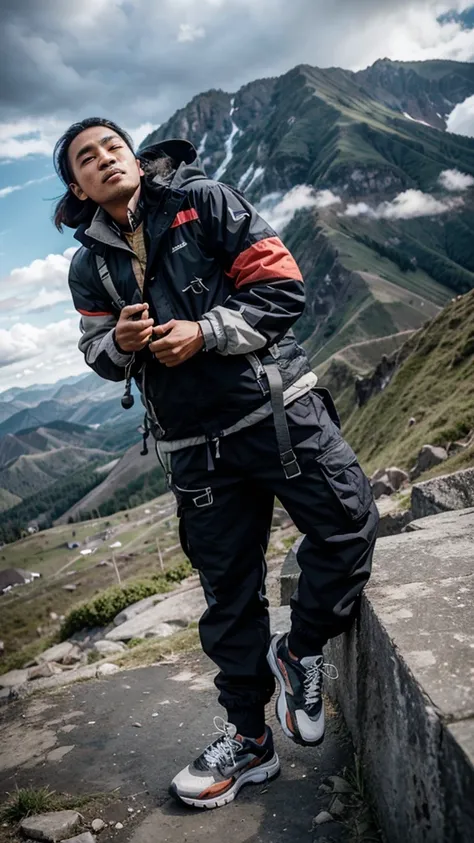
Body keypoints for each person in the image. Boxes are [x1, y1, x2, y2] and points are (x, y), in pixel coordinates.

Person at [54, 117, 379, 811]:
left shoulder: (209, 202)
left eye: (113, 146)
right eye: (87, 158)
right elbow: (98, 357)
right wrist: (123, 339)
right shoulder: (89, 263)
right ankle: (248, 740)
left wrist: (203, 333)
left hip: (276, 415)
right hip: (192, 447)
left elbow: (282, 289)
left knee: (348, 524)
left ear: (135, 158)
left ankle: (302, 647)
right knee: (228, 594)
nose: (105, 159)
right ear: (77, 186)